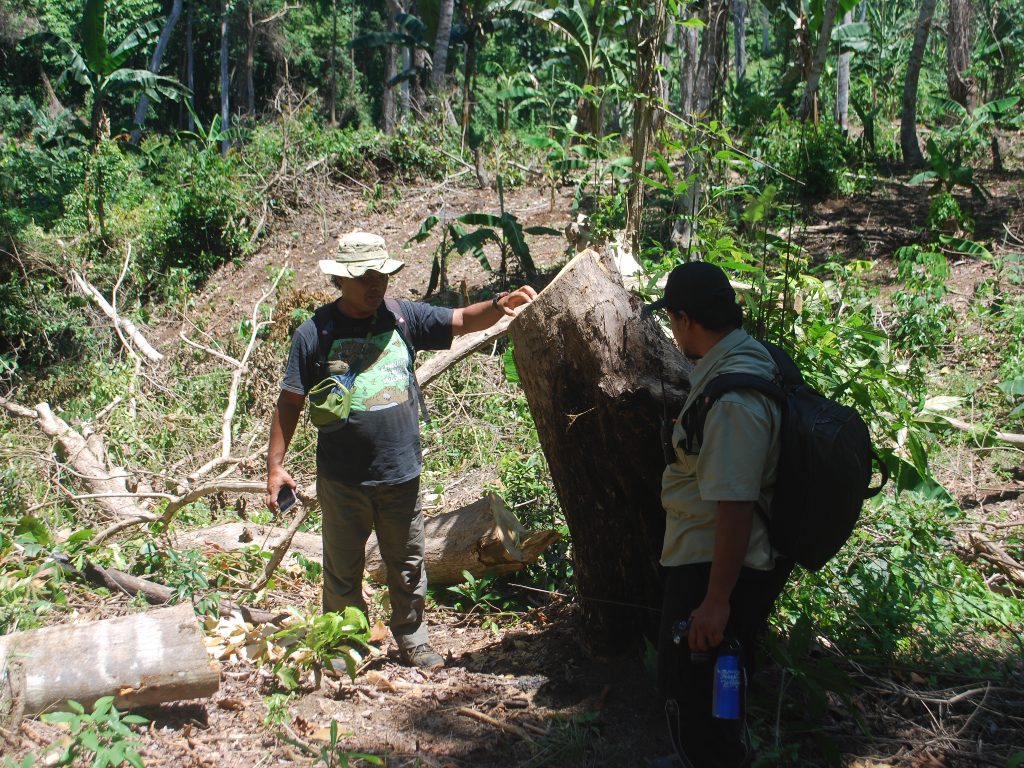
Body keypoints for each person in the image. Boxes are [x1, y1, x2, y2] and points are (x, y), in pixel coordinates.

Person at [266, 231, 537, 669]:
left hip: (401, 474)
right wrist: (275, 467)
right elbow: (290, 401)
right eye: (366, 277)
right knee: (342, 568)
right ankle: (343, 643)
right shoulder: (315, 333)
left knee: (408, 563)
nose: (377, 285)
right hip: (342, 480)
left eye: (382, 275)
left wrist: (498, 305)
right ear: (342, 281)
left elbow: (462, 319)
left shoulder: (401, 317)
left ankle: (413, 638)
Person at [646, 262, 794, 768]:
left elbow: (734, 506)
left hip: (718, 563)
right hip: (712, 556)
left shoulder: (735, 399)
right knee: (710, 683)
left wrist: (715, 601)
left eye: (671, 321)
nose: (671, 331)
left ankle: (711, 758)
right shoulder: (745, 357)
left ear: (686, 319)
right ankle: (713, 754)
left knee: (696, 683)